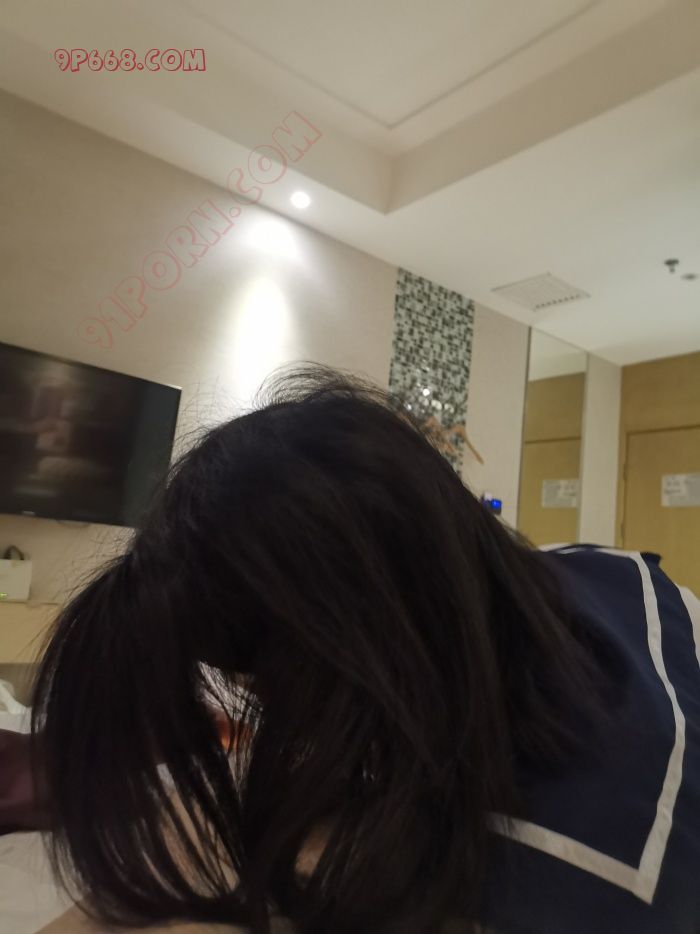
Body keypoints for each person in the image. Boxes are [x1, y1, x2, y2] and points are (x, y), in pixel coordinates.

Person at [32, 365, 700, 934]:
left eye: (271, 687)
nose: (273, 711)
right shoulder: (608, 579)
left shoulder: (566, 883)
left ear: (368, 654)